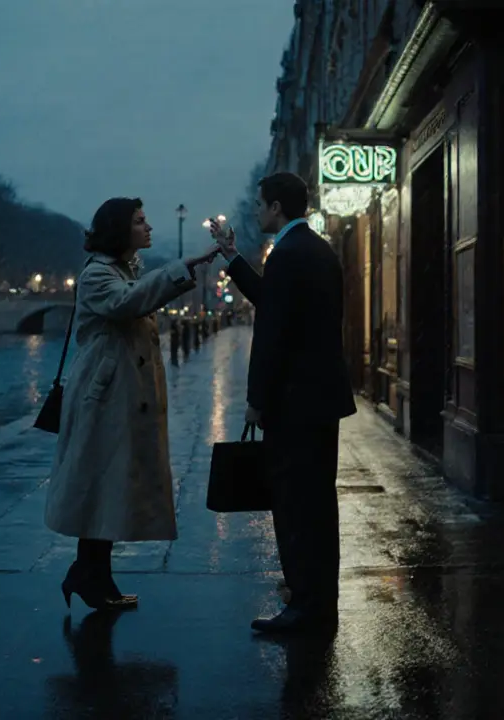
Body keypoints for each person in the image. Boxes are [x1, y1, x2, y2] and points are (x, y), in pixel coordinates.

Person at [46, 197, 219, 610]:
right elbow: (127, 303)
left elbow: (136, 296)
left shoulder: (123, 270)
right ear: (120, 230)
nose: (148, 227)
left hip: (117, 393)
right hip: (103, 396)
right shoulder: (99, 275)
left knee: (108, 486)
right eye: (140, 222)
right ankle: (89, 576)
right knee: (101, 484)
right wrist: (183, 268)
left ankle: (94, 576)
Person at [209, 172, 356, 633]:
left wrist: (256, 400)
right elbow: (274, 306)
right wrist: (232, 257)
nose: (256, 212)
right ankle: (317, 599)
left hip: (295, 403)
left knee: (295, 505)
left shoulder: (288, 256)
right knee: (315, 503)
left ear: (276, 208)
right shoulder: (314, 250)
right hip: (319, 399)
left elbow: (271, 335)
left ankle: (305, 607)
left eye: (259, 205)